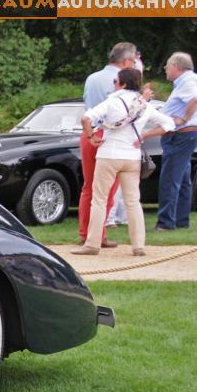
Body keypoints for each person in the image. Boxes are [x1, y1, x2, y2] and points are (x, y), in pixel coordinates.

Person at [72, 68, 174, 257]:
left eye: (116, 81)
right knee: (133, 202)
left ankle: (92, 243)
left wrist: (91, 136)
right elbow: (169, 124)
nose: (114, 84)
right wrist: (145, 134)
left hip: (109, 154)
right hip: (132, 156)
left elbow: (86, 118)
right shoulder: (143, 105)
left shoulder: (113, 102)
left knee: (99, 200)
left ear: (122, 83)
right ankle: (138, 246)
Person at [78, 42, 137, 245]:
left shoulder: (92, 78)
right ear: (127, 61)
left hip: (88, 132)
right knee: (107, 189)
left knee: (89, 188)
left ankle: (86, 233)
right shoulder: (122, 82)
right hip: (109, 135)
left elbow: (87, 105)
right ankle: (98, 236)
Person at [156, 52, 197, 230]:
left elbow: (196, 98)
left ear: (176, 66)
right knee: (183, 179)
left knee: (170, 179)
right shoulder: (194, 79)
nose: (165, 70)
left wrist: (184, 118)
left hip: (180, 134)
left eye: (167, 66)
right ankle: (181, 220)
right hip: (185, 135)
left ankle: (166, 222)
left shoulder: (187, 82)